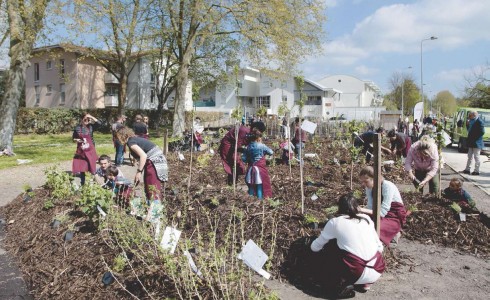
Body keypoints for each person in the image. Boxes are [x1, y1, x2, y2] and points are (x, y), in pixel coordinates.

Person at [310, 193, 385, 297]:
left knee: (331, 248)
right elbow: (380, 247)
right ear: (357, 206)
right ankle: (364, 283)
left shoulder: (335, 222)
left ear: (339, 207)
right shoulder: (366, 219)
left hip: (356, 270)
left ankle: (339, 285)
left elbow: (315, 247)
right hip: (377, 267)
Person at [115, 127, 168, 202]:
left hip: (154, 162)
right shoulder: (133, 140)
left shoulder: (131, 142)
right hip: (153, 161)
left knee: (152, 185)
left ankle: (156, 210)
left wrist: (139, 172)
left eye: (118, 137)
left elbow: (143, 155)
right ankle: (150, 205)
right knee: (147, 183)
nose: (117, 139)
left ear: (122, 135)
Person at [358, 166, 407, 246]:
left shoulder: (387, 186)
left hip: (393, 216)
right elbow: (370, 207)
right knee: (361, 223)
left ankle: (396, 233)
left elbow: (382, 212)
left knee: (375, 228)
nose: (363, 184)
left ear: (374, 178)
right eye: (362, 182)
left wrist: (361, 209)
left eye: (366, 181)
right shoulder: (369, 188)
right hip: (378, 213)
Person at [244, 128, 274, 199]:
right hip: (260, 169)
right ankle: (260, 200)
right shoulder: (261, 146)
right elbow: (271, 152)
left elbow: (244, 159)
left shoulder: (248, 147)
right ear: (258, 137)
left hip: (251, 169)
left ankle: (250, 200)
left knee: (251, 184)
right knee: (260, 185)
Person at [72, 112, 100, 185]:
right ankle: (83, 183)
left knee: (92, 165)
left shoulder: (91, 126)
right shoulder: (77, 128)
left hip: (90, 149)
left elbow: (99, 123)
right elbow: (73, 138)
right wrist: (76, 140)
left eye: (88, 119)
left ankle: (94, 182)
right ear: (81, 119)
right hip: (81, 149)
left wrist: (91, 116)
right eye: (85, 119)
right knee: (82, 166)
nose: (87, 121)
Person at [462, 111, 485, 176]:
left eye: (470, 115)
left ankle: (476, 171)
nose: (469, 117)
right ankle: (467, 169)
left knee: (476, 157)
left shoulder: (479, 121)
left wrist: (474, 137)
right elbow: (469, 130)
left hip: (477, 142)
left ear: (474, 115)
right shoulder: (471, 121)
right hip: (471, 141)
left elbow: (482, 132)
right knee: (469, 156)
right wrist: (467, 124)